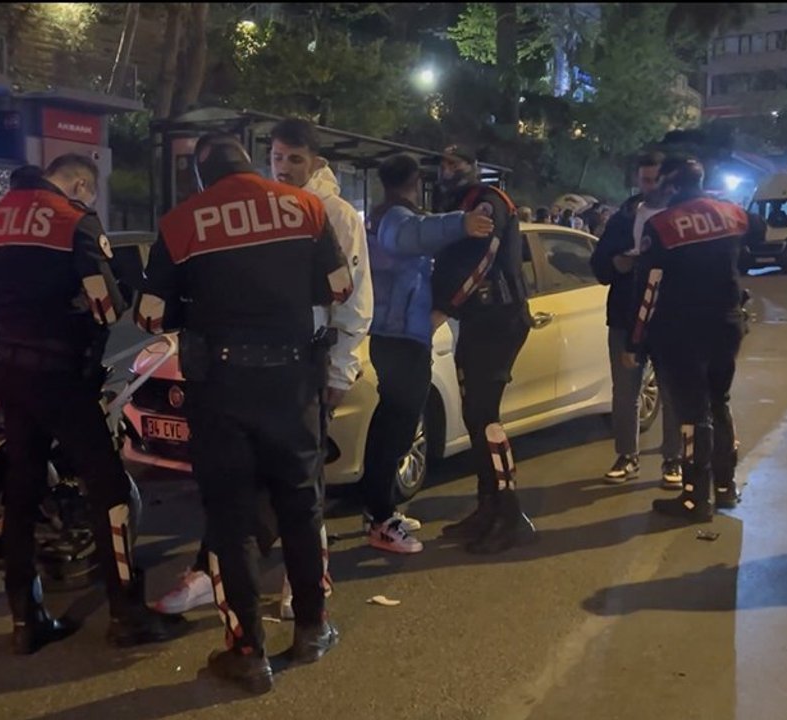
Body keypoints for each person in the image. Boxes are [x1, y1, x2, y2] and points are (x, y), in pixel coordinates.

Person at [134, 133, 349, 694]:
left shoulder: (181, 222)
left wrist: (195, 304)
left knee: (230, 520)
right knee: (301, 505)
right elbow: (338, 287)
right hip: (291, 383)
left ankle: (248, 653)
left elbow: (151, 315)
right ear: (251, 163)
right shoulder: (305, 207)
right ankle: (312, 628)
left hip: (220, 388)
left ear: (201, 175)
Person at [154, 117, 374, 615]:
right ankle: (219, 573)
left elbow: (354, 299)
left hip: (305, 364)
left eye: (295, 159)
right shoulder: (266, 208)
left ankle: (304, 588)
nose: (284, 167)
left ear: (316, 161)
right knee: (245, 486)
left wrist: (341, 369)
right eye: (277, 157)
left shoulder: (331, 213)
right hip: (248, 369)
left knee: (301, 486)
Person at [0, 154, 181, 655]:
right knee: (109, 488)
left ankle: (25, 618)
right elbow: (107, 308)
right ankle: (126, 613)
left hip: (12, 373)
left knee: (21, 490)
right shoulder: (73, 221)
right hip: (63, 376)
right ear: (81, 184)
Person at [360, 153, 495, 553]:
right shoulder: (395, 218)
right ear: (415, 181)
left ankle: (379, 509)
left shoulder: (386, 213)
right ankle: (381, 521)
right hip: (399, 337)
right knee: (397, 429)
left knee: (393, 426)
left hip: (398, 334)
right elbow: (412, 234)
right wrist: (462, 223)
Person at [626, 156, 762, 521]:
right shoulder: (732, 214)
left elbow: (649, 287)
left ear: (670, 185)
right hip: (726, 323)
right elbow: (757, 235)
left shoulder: (662, 225)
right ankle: (726, 486)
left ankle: (694, 497)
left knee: (693, 413)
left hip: (681, 329)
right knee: (719, 402)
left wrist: (635, 340)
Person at [430, 145, 536, 554]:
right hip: (479, 319)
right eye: (443, 162)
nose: (447, 170)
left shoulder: (488, 201)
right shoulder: (459, 204)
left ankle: (509, 515)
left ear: (474, 167)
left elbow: (482, 261)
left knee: (485, 418)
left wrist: (445, 307)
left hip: (498, 317)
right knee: (476, 415)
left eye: (455, 163)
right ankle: (488, 507)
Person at [590, 152, 684, 487]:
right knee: (625, 392)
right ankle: (627, 456)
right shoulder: (623, 218)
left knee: (673, 392)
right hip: (625, 317)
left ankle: (673, 459)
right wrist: (618, 264)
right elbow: (599, 266)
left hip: (670, 318)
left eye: (656, 179)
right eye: (645, 179)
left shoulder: (683, 217)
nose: (650, 186)